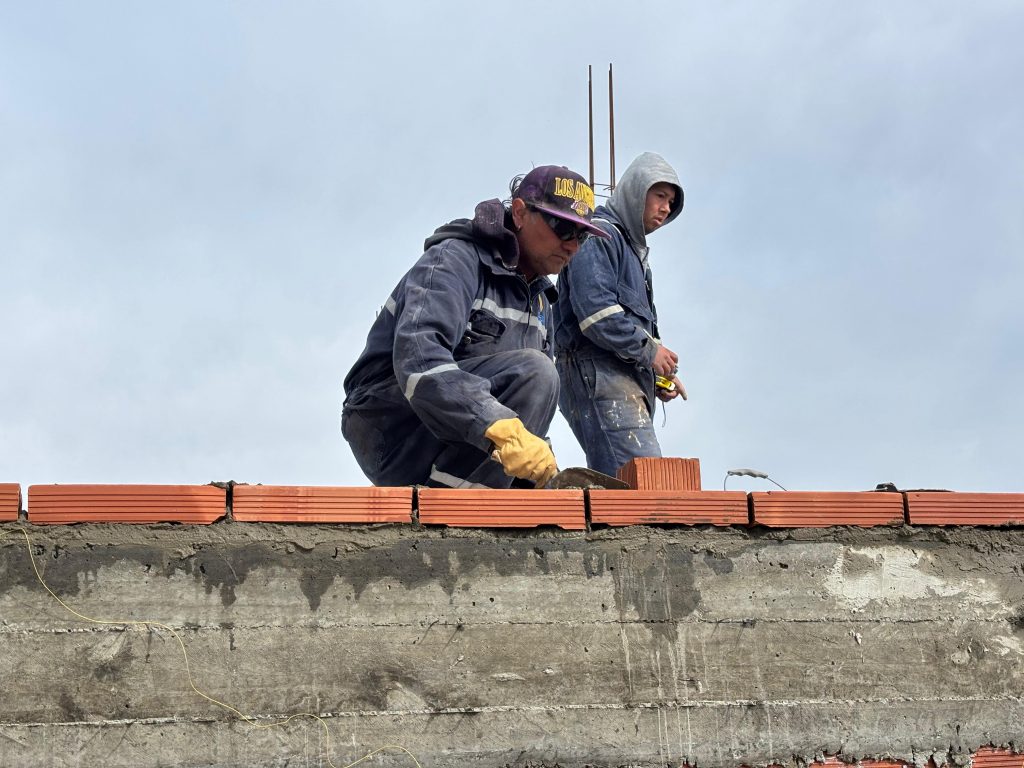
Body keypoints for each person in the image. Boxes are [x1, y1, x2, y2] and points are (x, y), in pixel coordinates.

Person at [342, 165, 609, 489]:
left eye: (581, 235)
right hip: (389, 425)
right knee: (538, 373)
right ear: (521, 213)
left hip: (456, 429)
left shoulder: (540, 304)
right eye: (564, 228)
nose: (573, 246)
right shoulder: (455, 260)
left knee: (538, 383)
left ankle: (468, 509)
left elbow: (523, 411)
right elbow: (419, 361)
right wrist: (499, 427)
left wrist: (541, 475)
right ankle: (454, 513)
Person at [552, 151, 686, 477]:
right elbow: (596, 313)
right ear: (636, 191)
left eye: (671, 202)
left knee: (629, 484)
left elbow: (631, 324)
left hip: (619, 378)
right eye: (659, 195)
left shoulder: (635, 255)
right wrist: (649, 351)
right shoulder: (600, 235)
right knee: (643, 483)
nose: (665, 207)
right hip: (598, 375)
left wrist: (654, 372)